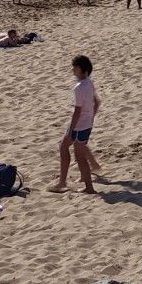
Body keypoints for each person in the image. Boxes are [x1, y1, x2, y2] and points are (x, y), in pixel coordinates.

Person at [51, 54, 102, 194]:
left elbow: (77, 111)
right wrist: (91, 118)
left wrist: (70, 130)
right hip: (86, 124)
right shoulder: (89, 82)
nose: (72, 70)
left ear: (82, 69)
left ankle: (80, 186)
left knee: (72, 153)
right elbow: (97, 102)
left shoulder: (79, 87)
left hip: (79, 126)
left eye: (75, 67)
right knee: (75, 154)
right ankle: (72, 184)